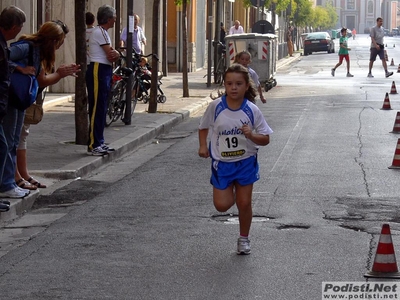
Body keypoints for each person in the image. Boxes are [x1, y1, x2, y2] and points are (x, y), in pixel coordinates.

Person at [198, 64, 273, 255]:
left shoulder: (252, 110)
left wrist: (251, 136)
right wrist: (202, 146)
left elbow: (265, 139)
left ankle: (244, 238)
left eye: (238, 84)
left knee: (244, 203)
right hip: (222, 163)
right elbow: (203, 126)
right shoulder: (216, 107)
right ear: (224, 85)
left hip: (246, 161)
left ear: (246, 86)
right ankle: (229, 189)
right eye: (229, 83)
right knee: (222, 206)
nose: (233, 87)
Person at [12, 20, 79, 191]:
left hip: (21, 99)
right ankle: (14, 177)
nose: (59, 47)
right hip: (13, 98)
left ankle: (22, 174)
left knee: (20, 136)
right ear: (54, 40)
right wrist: (59, 74)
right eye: (60, 42)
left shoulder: (37, 51)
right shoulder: (28, 47)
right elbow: (6, 57)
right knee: (14, 137)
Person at [0, 6, 26, 208]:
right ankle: (6, 184)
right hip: (4, 103)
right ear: (14, 26)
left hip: (3, 103)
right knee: (4, 144)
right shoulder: (24, 47)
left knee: (6, 143)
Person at [86, 5, 120, 156]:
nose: (115, 20)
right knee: (97, 107)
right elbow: (111, 54)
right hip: (98, 69)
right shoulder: (100, 32)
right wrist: (117, 53)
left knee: (102, 106)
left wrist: (116, 53)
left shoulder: (102, 32)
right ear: (108, 18)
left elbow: (113, 54)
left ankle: (98, 141)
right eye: (114, 17)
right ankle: (94, 144)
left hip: (103, 69)